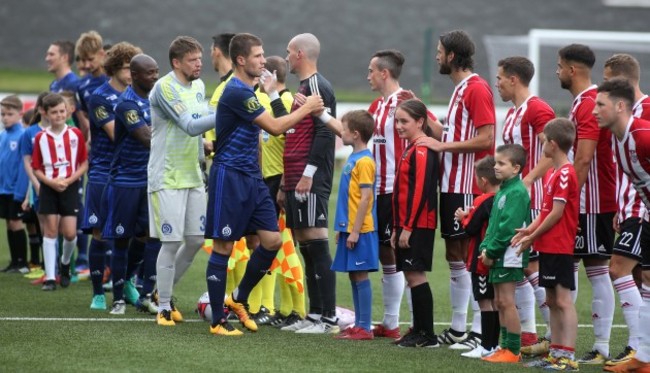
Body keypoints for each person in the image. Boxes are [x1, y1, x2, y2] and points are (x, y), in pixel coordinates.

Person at [203, 32, 323, 336]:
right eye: (258, 55)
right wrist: (308, 108)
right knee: (224, 246)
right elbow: (275, 127)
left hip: (252, 179)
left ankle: (239, 299)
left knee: (272, 241)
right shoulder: (236, 92)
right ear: (241, 60)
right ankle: (218, 320)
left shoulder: (251, 90)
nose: (264, 60)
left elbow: (261, 137)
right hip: (229, 176)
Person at [419, 30, 496, 347]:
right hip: (451, 184)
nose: (436, 56)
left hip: (468, 186)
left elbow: (486, 139)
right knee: (454, 253)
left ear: (452, 56)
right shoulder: (459, 89)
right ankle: (458, 328)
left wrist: (442, 144)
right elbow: (455, 134)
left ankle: (479, 331)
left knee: (470, 256)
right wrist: (428, 121)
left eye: (439, 51)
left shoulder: (476, 88)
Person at [148, 36, 216, 326]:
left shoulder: (198, 86)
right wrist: (226, 113)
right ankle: (163, 306)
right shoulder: (164, 87)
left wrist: (203, 153)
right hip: (167, 176)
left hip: (192, 174)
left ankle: (159, 294)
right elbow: (189, 125)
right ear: (176, 62)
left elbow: (198, 125)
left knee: (196, 240)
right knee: (172, 241)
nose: (199, 64)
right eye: (192, 60)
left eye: (200, 58)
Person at [556, 44, 617, 364]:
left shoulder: (590, 103)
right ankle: (563, 344)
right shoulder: (581, 103)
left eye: (559, 65)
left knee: (596, 271)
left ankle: (602, 347)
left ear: (572, 70)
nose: (556, 71)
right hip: (585, 201)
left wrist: (567, 200)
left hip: (592, 203)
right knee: (578, 271)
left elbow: (583, 158)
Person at [276, 33, 338, 334]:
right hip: (296, 178)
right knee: (305, 243)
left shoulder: (316, 85)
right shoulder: (302, 88)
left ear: (300, 54)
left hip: (308, 178)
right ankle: (314, 315)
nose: (286, 57)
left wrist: (308, 173)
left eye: (289, 52)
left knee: (316, 242)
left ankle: (327, 318)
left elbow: (326, 133)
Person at [495, 56, 556, 352]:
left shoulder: (538, 108)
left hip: (535, 199)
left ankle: (555, 336)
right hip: (516, 199)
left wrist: (528, 181)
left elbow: (553, 151)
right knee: (517, 265)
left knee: (531, 266)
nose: (497, 83)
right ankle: (530, 333)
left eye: (499, 78)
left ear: (513, 79)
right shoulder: (512, 113)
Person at [592, 78, 650, 373]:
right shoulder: (618, 139)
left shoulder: (642, 136)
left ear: (620, 106)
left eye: (600, 104)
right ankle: (643, 358)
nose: (594, 111)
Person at [513, 118, 580, 371]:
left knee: (563, 300)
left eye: (543, 141)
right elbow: (545, 211)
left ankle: (568, 356)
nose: (540, 145)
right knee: (552, 300)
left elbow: (557, 214)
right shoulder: (552, 172)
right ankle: (556, 351)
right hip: (548, 245)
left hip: (560, 245)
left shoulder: (565, 173)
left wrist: (532, 237)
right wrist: (528, 230)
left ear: (552, 144)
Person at [101, 54, 161, 315]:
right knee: (122, 239)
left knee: (152, 235)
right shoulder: (127, 103)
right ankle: (118, 298)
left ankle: (146, 291)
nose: (155, 76)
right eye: (149, 73)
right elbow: (148, 138)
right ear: (135, 75)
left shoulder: (156, 98)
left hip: (151, 180)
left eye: (156, 71)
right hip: (125, 180)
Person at [86, 42, 143, 312]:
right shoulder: (99, 97)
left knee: (136, 234)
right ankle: (98, 293)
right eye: (126, 67)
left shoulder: (139, 95)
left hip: (131, 173)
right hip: (101, 172)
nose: (132, 72)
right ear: (114, 67)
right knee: (99, 234)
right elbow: (115, 132)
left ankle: (128, 280)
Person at [366, 49, 415, 340]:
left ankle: (412, 323)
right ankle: (390, 322)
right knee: (387, 252)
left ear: (384, 73)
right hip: (377, 189)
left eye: (371, 70)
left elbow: (433, 130)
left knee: (401, 253)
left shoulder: (405, 101)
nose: (368, 75)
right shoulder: (376, 105)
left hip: (398, 189)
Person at [387, 99, 439, 348]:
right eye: (397, 120)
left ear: (420, 122)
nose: (398, 126)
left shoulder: (422, 150)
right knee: (411, 275)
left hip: (419, 223)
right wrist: (397, 227)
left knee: (416, 275)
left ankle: (427, 335)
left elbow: (419, 192)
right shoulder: (411, 147)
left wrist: (407, 226)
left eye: (404, 121)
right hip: (407, 223)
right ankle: (418, 329)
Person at [478, 144, 530, 364]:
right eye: (495, 163)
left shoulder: (517, 192)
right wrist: (485, 246)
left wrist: (491, 250)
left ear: (516, 168)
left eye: (501, 163)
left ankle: (513, 350)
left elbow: (509, 228)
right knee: (499, 300)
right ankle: (505, 346)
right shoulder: (504, 190)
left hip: (508, 254)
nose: (496, 167)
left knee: (506, 301)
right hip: (498, 252)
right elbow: (493, 224)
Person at [31, 93, 88, 291]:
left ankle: (65, 264)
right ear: (45, 113)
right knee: (51, 230)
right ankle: (49, 277)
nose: (58, 115)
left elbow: (83, 163)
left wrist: (70, 180)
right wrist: (50, 182)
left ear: (68, 111)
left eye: (61, 111)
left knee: (70, 233)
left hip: (69, 187)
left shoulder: (75, 134)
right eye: (54, 112)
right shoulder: (40, 137)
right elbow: (36, 167)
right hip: (49, 187)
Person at [331, 110, 378, 341]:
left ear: (356, 134)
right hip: (349, 228)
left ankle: (366, 327)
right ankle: (359, 323)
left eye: (344, 128)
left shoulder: (365, 161)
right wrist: (343, 228)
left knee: (360, 275)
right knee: (353, 275)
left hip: (362, 230)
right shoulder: (353, 158)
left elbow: (366, 198)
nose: (341, 132)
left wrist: (356, 230)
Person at [456, 156, 500, 358]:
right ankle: (493, 345)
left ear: (483, 180)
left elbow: (471, 229)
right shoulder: (501, 198)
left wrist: (463, 217)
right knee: (494, 302)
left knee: (485, 303)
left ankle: (487, 346)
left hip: (480, 260)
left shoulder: (483, 200)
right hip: (495, 259)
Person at [0, 95, 28, 273]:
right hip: (3, 188)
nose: (5, 118)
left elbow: (24, 167)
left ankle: (22, 263)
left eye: (9, 114)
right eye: (2, 114)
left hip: (15, 189)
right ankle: (13, 261)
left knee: (17, 223)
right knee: (9, 223)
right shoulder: (3, 135)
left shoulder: (22, 135)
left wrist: (20, 192)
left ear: (20, 114)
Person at [75, 31, 108, 141]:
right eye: (83, 60)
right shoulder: (82, 85)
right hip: (96, 147)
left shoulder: (114, 80)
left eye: (90, 59)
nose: (86, 65)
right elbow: (87, 118)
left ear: (101, 54)